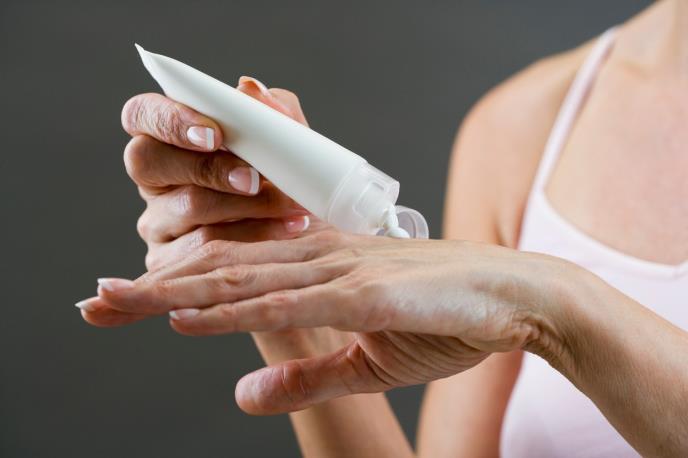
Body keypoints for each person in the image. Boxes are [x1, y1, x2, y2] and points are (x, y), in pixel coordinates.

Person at [76, 1, 688, 456]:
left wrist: (556, 304)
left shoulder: (536, 264)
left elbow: (537, 299)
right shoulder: (529, 125)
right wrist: (287, 280)